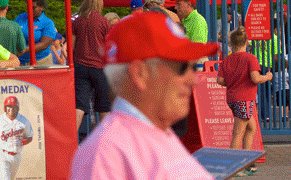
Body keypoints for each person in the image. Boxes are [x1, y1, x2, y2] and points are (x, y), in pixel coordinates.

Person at [68, 11, 220, 180]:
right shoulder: (108, 154)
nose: (193, 80)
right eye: (183, 67)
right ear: (140, 74)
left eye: (193, 67)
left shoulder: (154, 133)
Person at [217, 26, 272, 177]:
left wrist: (234, 81)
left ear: (231, 43)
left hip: (233, 98)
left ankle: (248, 163)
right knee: (238, 133)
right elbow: (255, 78)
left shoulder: (227, 59)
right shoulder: (250, 58)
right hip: (245, 98)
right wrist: (267, 77)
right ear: (247, 42)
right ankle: (234, 167)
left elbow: (220, 80)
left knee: (251, 128)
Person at [71, 0, 111, 129]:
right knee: (104, 106)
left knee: (80, 106)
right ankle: (104, 141)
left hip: (80, 66)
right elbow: (108, 46)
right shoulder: (104, 21)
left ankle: (71, 143)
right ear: (99, 4)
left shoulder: (77, 21)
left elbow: (71, 46)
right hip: (99, 67)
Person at [0, 95, 34, 180]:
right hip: (2, 155)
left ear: (18, 108)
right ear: (5, 108)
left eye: (14, 107)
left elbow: (30, 137)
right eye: (9, 106)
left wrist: (22, 142)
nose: (11, 109)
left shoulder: (24, 121)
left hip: (16, 156)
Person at [15, 0, 61, 66]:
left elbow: (44, 44)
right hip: (20, 61)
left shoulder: (48, 23)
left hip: (41, 62)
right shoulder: (20, 17)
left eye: (33, 7)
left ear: (41, 7)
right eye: (28, 6)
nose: (30, 10)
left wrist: (24, 49)